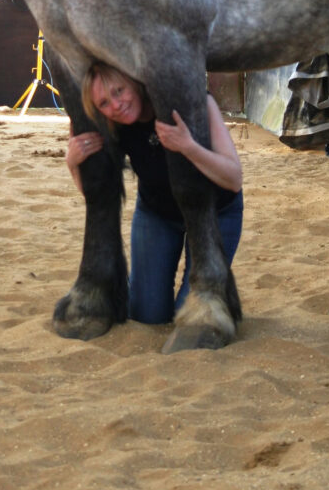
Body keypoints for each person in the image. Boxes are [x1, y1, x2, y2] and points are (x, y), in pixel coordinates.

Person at [66, 62, 243, 325]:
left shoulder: (196, 102)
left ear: (136, 83)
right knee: (148, 316)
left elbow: (234, 179)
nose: (115, 105)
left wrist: (188, 147)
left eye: (119, 91)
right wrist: (73, 162)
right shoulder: (114, 125)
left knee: (194, 315)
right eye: (104, 103)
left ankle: (221, 291)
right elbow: (98, 198)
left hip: (216, 213)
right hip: (157, 216)